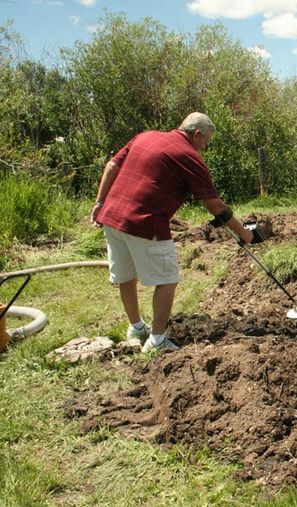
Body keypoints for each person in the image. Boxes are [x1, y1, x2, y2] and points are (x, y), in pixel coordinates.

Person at [91, 112, 259, 352]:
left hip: (111, 216)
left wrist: (99, 203)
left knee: (126, 275)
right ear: (197, 134)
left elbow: (112, 165)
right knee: (168, 279)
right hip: (144, 222)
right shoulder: (188, 157)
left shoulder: (145, 136)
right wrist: (244, 233)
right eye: (205, 142)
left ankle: (136, 328)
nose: (204, 148)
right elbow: (215, 206)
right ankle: (157, 341)